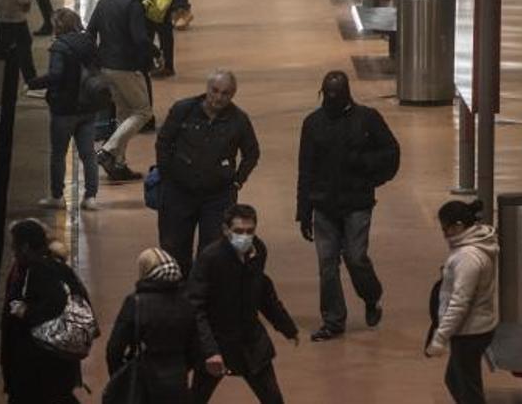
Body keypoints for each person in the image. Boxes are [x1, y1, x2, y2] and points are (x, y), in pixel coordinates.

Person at [296, 70, 400, 341]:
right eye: (327, 94)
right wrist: (303, 211)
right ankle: (333, 320)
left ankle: (371, 295)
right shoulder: (313, 124)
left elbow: (391, 154)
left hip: (357, 202)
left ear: (346, 93)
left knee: (356, 258)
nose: (331, 99)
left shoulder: (367, 119)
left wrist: (368, 171)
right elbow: (305, 169)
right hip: (323, 204)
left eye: (336, 94)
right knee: (327, 265)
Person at [189, 204, 299, 404]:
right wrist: (210, 350)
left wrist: (286, 326)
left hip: (251, 341)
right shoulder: (210, 259)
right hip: (217, 341)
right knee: (197, 397)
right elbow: (196, 307)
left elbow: (263, 293)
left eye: (250, 231)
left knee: (273, 399)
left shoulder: (259, 251)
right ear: (225, 230)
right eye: (239, 231)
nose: (245, 236)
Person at [155, 69, 260, 275]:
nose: (218, 97)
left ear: (233, 94)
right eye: (215, 91)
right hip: (179, 193)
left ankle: (204, 299)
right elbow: (163, 142)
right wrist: (166, 175)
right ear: (207, 89)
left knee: (212, 254)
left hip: (217, 197)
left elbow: (252, 153)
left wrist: (237, 181)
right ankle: (177, 298)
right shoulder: (183, 110)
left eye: (225, 93)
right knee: (174, 250)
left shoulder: (239, 120)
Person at [0, 219, 86, 404]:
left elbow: (51, 308)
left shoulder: (38, 272)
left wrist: (26, 313)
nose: (13, 251)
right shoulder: (58, 268)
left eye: (14, 246)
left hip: (37, 372)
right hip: (56, 371)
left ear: (25, 247)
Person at [425, 200, 499, 404]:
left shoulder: (468, 258)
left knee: (467, 388)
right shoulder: (473, 247)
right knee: (455, 380)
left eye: (445, 228)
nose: (444, 234)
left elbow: (460, 302)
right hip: (476, 327)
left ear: (458, 226)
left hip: (470, 331)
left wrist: (440, 337)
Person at [86, 0, 153, 181]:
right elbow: (140, 39)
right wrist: (154, 54)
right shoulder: (132, 3)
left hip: (106, 65)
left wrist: (95, 61)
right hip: (126, 66)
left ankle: (119, 164)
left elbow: (91, 29)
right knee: (143, 112)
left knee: (124, 113)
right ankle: (108, 151)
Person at [105, 248, 200, 403]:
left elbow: (114, 349)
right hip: (177, 381)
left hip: (144, 380)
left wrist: (121, 374)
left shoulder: (136, 302)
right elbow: (196, 349)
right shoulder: (186, 303)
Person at [28, 8, 101, 210]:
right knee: (88, 154)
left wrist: (33, 83)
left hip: (64, 110)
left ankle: (57, 196)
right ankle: (91, 196)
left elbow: (56, 76)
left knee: (59, 154)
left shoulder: (60, 47)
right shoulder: (89, 42)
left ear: (58, 26)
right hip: (88, 107)